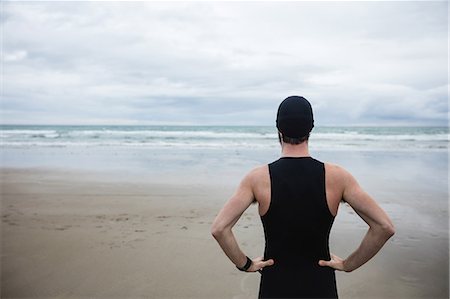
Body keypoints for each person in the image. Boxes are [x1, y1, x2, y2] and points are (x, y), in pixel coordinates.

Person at [211, 96, 395, 298]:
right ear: (311, 129)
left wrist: (245, 264)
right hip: (321, 286)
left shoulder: (258, 178)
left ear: (279, 130)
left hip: (275, 287)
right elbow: (384, 227)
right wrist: (348, 264)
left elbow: (220, 228)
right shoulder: (337, 177)